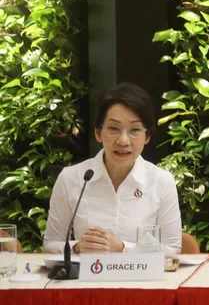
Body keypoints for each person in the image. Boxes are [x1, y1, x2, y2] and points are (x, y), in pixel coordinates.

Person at [43, 82, 182, 255]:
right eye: (114, 128)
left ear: (147, 136)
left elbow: (173, 251)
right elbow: (50, 245)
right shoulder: (71, 178)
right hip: (87, 272)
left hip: (142, 273)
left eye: (135, 130)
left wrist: (123, 248)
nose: (123, 141)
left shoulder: (161, 181)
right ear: (98, 132)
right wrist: (77, 247)